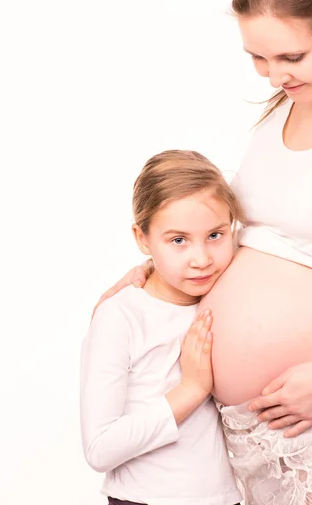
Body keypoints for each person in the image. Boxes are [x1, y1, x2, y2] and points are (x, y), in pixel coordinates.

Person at [92, 0, 312, 504]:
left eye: (290, 57)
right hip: (251, 432)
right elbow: (257, 229)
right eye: (258, 57)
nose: (273, 75)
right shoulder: (289, 103)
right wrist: (157, 272)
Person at [80, 150, 243, 505]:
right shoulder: (121, 316)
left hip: (223, 497)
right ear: (142, 238)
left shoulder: (223, 289)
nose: (201, 259)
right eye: (178, 240)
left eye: (215, 235)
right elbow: (99, 448)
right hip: (145, 499)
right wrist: (192, 389)